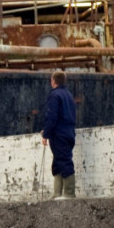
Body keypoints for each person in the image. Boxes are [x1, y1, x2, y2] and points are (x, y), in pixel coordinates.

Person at [42, 70, 77, 199]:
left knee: (63, 161)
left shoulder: (55, 95)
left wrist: (46, 133)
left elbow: (52, 116)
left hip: (59, 134)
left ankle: (69, 194)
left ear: (53, 81)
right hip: (69, 133)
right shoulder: (69, 96)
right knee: (58, 162)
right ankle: (57, 194)